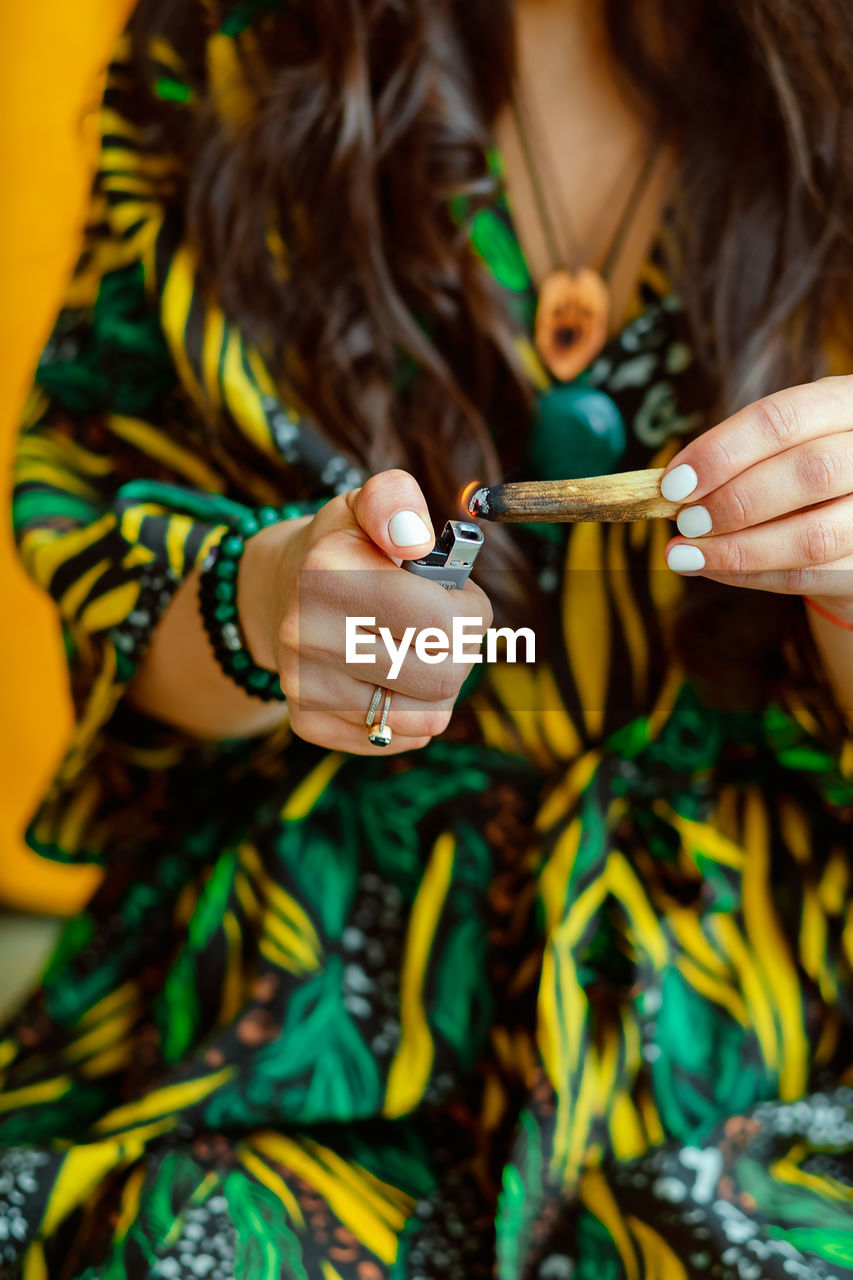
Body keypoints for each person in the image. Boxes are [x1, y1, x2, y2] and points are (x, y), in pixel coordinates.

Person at [3, 0, 853, 1275]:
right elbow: (113, 563)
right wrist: (270, 599)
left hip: (780, 1002)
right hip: (289, 979)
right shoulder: (228, 46)